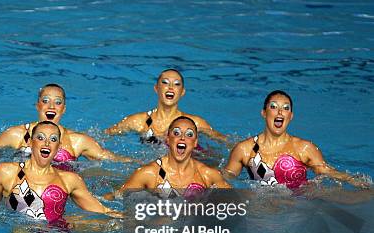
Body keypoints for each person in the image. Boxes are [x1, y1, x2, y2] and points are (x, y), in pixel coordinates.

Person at [0, 121, 117, 228]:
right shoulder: (7, 172)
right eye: (40, 137)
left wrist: (129, 218)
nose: (47, 143)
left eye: (53, 139)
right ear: (31, 142)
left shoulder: (69, 179)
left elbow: (102, 211)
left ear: (58, 147)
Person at [224, 90, 368, 189]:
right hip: (261, 209)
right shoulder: (244, 149)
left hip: (299, 206)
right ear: (264, 113)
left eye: (285, 108)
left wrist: (359, 182)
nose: (280, 112)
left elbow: (329, 172)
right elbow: (225, 181)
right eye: (273, 106)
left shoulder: (304, 148)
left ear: (290, 116)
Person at [0, 83, 130, 163]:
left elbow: (112, 159)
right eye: (45, 101)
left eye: (57, 102)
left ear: (63, 109)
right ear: (37, 105)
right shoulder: (16, 134)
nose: (51, 106)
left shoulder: (76, 140)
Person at [107, 116, 230, 199]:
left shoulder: (208, 175)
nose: (182, 137)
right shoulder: (149, 174)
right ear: (168, 139)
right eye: (176, 133)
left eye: (189, 134)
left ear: (195, 142)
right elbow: (114, 198)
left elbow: (238, 206)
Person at [105, 69, 226, 143]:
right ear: (156, 88)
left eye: (177, 84)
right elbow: (104, 135)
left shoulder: (194, 123)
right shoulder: (139, 121)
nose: (171, 87)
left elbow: (223, 140)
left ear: (182, 92)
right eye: (165, 83)